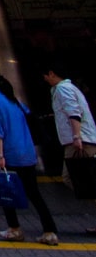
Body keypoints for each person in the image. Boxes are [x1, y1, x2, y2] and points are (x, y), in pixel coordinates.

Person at [0, 65, 57, 245]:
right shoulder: (11, 98)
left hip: (10, 151)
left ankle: (14, 229)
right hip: (27, 149)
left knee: (5, 189)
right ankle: (49, 231)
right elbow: (28, 116)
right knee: (34, 193)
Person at [41, 62, 96, 235]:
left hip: (79, 141)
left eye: (45, 76)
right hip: (81, 139)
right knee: (84, 181)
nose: (44, 79)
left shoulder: (63, 89)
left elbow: (74, 112)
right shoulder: (69, 88)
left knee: (80, 180)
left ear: (51, 73)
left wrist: (76, 136)